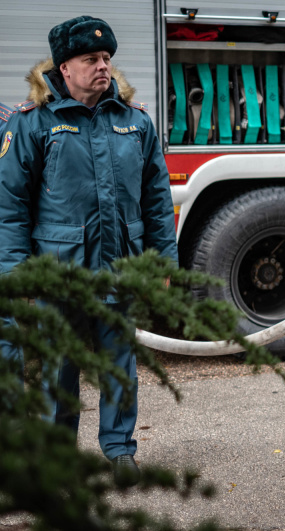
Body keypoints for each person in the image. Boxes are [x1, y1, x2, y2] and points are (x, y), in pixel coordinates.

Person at [0, 16, 179, 486]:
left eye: (106, 59)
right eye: (91, 59)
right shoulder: (33, 123)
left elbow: (157, 198)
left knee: (120, 365)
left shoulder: (134, 121)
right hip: (60, 271)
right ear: (64, 67)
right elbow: (11, 207)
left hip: (121, 266)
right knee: (59, 369)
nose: (103, 67)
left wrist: (162, 260)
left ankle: (119, 450)